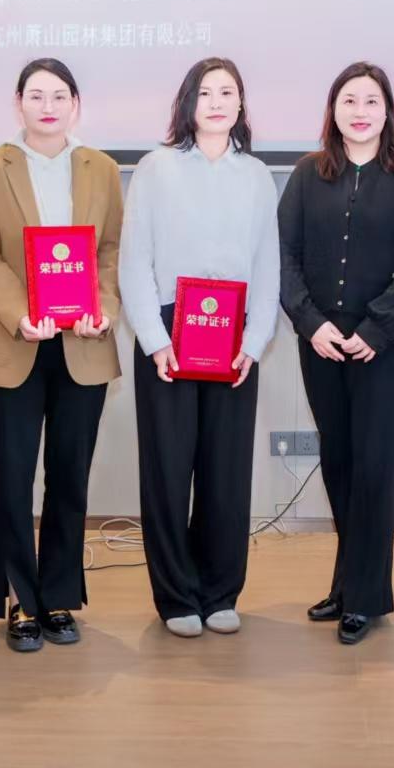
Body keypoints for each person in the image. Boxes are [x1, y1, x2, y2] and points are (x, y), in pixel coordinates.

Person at [0, 58, 124, 653]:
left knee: (69, 475)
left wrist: (103, 307)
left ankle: (57, 597)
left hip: (83, 342)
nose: (48, 105)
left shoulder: (103, 168)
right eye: (36, 95)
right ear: (19, 104)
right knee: (11, 476)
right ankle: (18, 599)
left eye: (59, 95)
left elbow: (111, 250)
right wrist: (19, 313)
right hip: (15, 341)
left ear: (75, 104)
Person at [119, 56, 280, 638]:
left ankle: (219, 591)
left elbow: (268, 265)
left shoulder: (256, 176)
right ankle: (176, 596)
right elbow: (134, 260)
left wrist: (255, 342)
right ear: (188, 102)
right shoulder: (155, 168)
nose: (216, 102)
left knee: (226, 468)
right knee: (167, 466)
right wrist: (154, 340)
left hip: (233, 333)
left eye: (227, 92)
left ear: (240, 105)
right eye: (206, 92)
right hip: (168, 329)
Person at [278, 61, 394, 644]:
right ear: (333, 109)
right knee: (339, 462)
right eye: (349, 100)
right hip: (320, 341)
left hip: (382, 348)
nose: (360, 111)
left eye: (371, 101)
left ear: (387, 110)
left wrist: (376, 329)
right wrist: (311, 323)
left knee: (373, 466)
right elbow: (285, 257)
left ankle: (367, 598)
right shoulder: (306, 174)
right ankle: (346, 583)